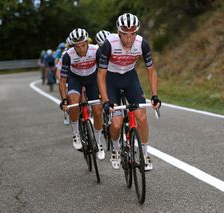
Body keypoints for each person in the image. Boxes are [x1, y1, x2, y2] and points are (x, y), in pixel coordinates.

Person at [97, 13, 161, 170]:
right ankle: (116, 149)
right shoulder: (109, 44)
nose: (129, 39)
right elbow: (101, 74)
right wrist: (105, 100)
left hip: (130, 78)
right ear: (119, 32)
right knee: (117, 123)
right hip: (111, 80)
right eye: (125, 34)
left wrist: (154, 95)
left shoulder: (142, 44)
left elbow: (151, 70)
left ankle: (145, 155)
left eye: (133, 34)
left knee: (142, 117)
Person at [59, 28, 105, 160]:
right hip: (75, 79)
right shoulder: (68, 55)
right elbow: (62, 81)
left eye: (83, 45)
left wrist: (103, 93)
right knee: (73, 104)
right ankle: (76, 134)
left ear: (87, 42)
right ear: (73, 45)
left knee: (97, 111)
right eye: (77, 46)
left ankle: (98, 142)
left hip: (92, 80)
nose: (81, 49)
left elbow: (103, 73)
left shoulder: (95, 50)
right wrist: (64, 99)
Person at [57, 37, 73, 125]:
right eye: (71, 46)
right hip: (67, 78)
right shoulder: (64, 54)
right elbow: (58, 71)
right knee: (67, 96)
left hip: (78, 78)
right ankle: (67, 111)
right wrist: (61, 82)